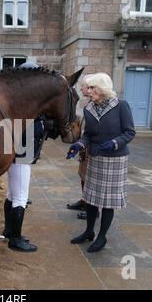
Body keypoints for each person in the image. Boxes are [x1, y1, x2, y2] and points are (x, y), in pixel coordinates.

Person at [66, 72, 135, 253]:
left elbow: (129, 132)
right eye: (88, 88)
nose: (89, 91)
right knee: (91, 198)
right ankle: (89, 231)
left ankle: (102, 236)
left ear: (103, 88)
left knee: (108, 201)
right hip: (95, 157)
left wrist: (114, 143)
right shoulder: (89, 108)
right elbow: (88, 135)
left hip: (115, 160)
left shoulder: (121, 106)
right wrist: (79, 144)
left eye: (92, 87)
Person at [1, 115, 47, 252]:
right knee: (20, 198)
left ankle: (9, 231)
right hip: (21, 159)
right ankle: (15, 239)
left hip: (17, 158)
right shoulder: (29, 117)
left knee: (11, 195)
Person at [66, 74, 99, 220]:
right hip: (84, 145)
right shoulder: (89, 103)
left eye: (84, 86)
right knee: (83, 174)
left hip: (93, 147)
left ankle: (93, 208)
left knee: (91, 178)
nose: (82, 88)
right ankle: (85, 201)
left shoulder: (98, 103)